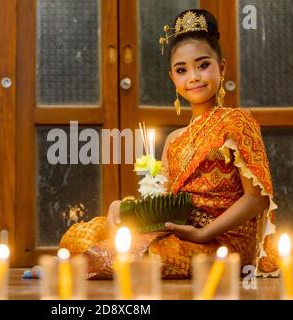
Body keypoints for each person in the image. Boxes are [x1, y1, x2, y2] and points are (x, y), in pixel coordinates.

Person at [60, 9, 279, 279]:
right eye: (181, 70)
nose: (193, 77)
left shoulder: (237, 121)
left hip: (223, 241)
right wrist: (125, 209)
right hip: (176, 230)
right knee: (85, 236)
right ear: (173, 78)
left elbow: (256, 198)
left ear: (221, 68)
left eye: (203, 65)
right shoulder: (174, 140)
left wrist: (203, 233)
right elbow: (162, 204)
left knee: (148, 256)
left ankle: (73, 270)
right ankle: (80, 264)